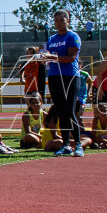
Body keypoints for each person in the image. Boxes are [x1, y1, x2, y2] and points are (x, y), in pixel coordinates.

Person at [41, 10, 84, 157]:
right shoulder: (52, 38)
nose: (59, 23)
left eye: (61, 20)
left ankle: (78, 144)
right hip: (54, 76)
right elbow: (49, 57)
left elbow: (71, 57)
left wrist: (52, 57)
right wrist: (43, 58)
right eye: (56, 20)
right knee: (60, 111)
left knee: (70, 110)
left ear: (68, 20)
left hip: (70, 76)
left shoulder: (72, 36)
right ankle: (65, 144)